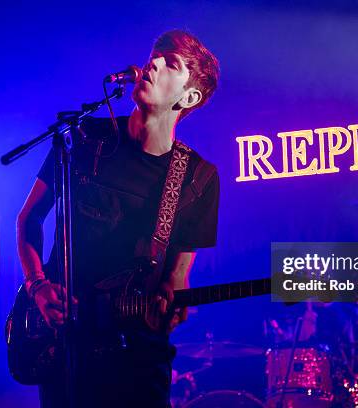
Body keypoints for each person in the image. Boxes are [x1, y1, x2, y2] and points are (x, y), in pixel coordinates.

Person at [15, 29, 220, 407]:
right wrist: (38, 287)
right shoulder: (84, 137)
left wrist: (172, 305)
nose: (152, 63)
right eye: (154, 54)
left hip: (137, 355)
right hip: (66, 345)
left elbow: (177, 277)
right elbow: (29, 220)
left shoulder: (197, 178)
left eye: (170, 63)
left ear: (188, 97)